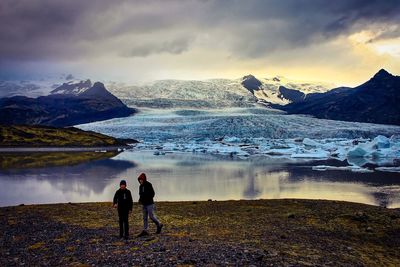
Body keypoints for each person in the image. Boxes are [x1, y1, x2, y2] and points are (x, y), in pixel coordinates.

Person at [137, 173, 163, 237]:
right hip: (144, 204)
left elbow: (153, 193)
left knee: (151, 216)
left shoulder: (148, 184)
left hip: (150, 204)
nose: (140, 181)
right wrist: (140, 200)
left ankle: (159, 224)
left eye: (141, 179)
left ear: (144, 179)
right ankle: (145, 230)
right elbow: (140, 194)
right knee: (144, 217)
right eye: (140, 180)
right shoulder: (140, 186)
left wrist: (147, 198)